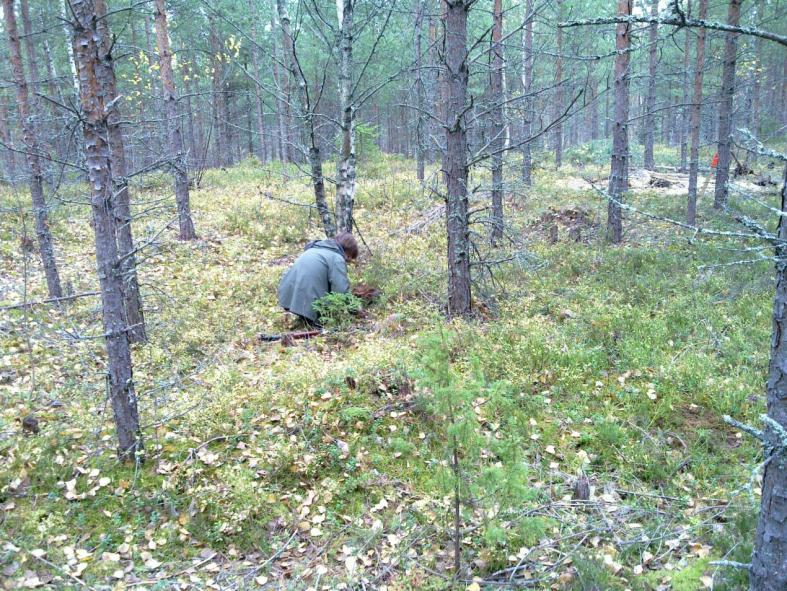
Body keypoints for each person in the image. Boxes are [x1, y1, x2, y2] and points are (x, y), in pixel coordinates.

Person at [277, 232, 359, 327]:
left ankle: (298, 315)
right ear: (347, 251)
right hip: (306, 301)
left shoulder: (313, 249)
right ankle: (308, 317)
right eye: (349, 257)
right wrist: (355, 308)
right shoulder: (336, 258)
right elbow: (340, 290)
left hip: (285, 297)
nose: (348, 260)